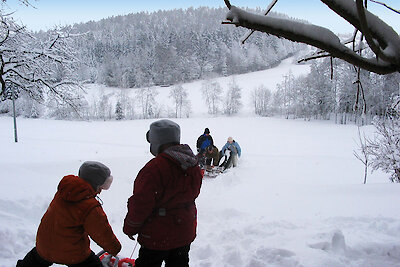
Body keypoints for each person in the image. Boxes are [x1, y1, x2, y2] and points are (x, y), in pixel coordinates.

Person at [123, 119, 202, 267]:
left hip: (157, 236)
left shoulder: (154, 168)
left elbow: (141, 203)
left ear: (157, 142)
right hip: (184, 230)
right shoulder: (193, 164)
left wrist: (130, 227)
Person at [17, 161, 121, 267]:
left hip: (43, 246)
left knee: (36, 260)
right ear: (96, 184)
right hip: (71, 252)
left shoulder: (64, 191)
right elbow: (102, 233)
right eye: (103, 185)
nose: (102, 189)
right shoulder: (90, 206)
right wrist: (115, 248)